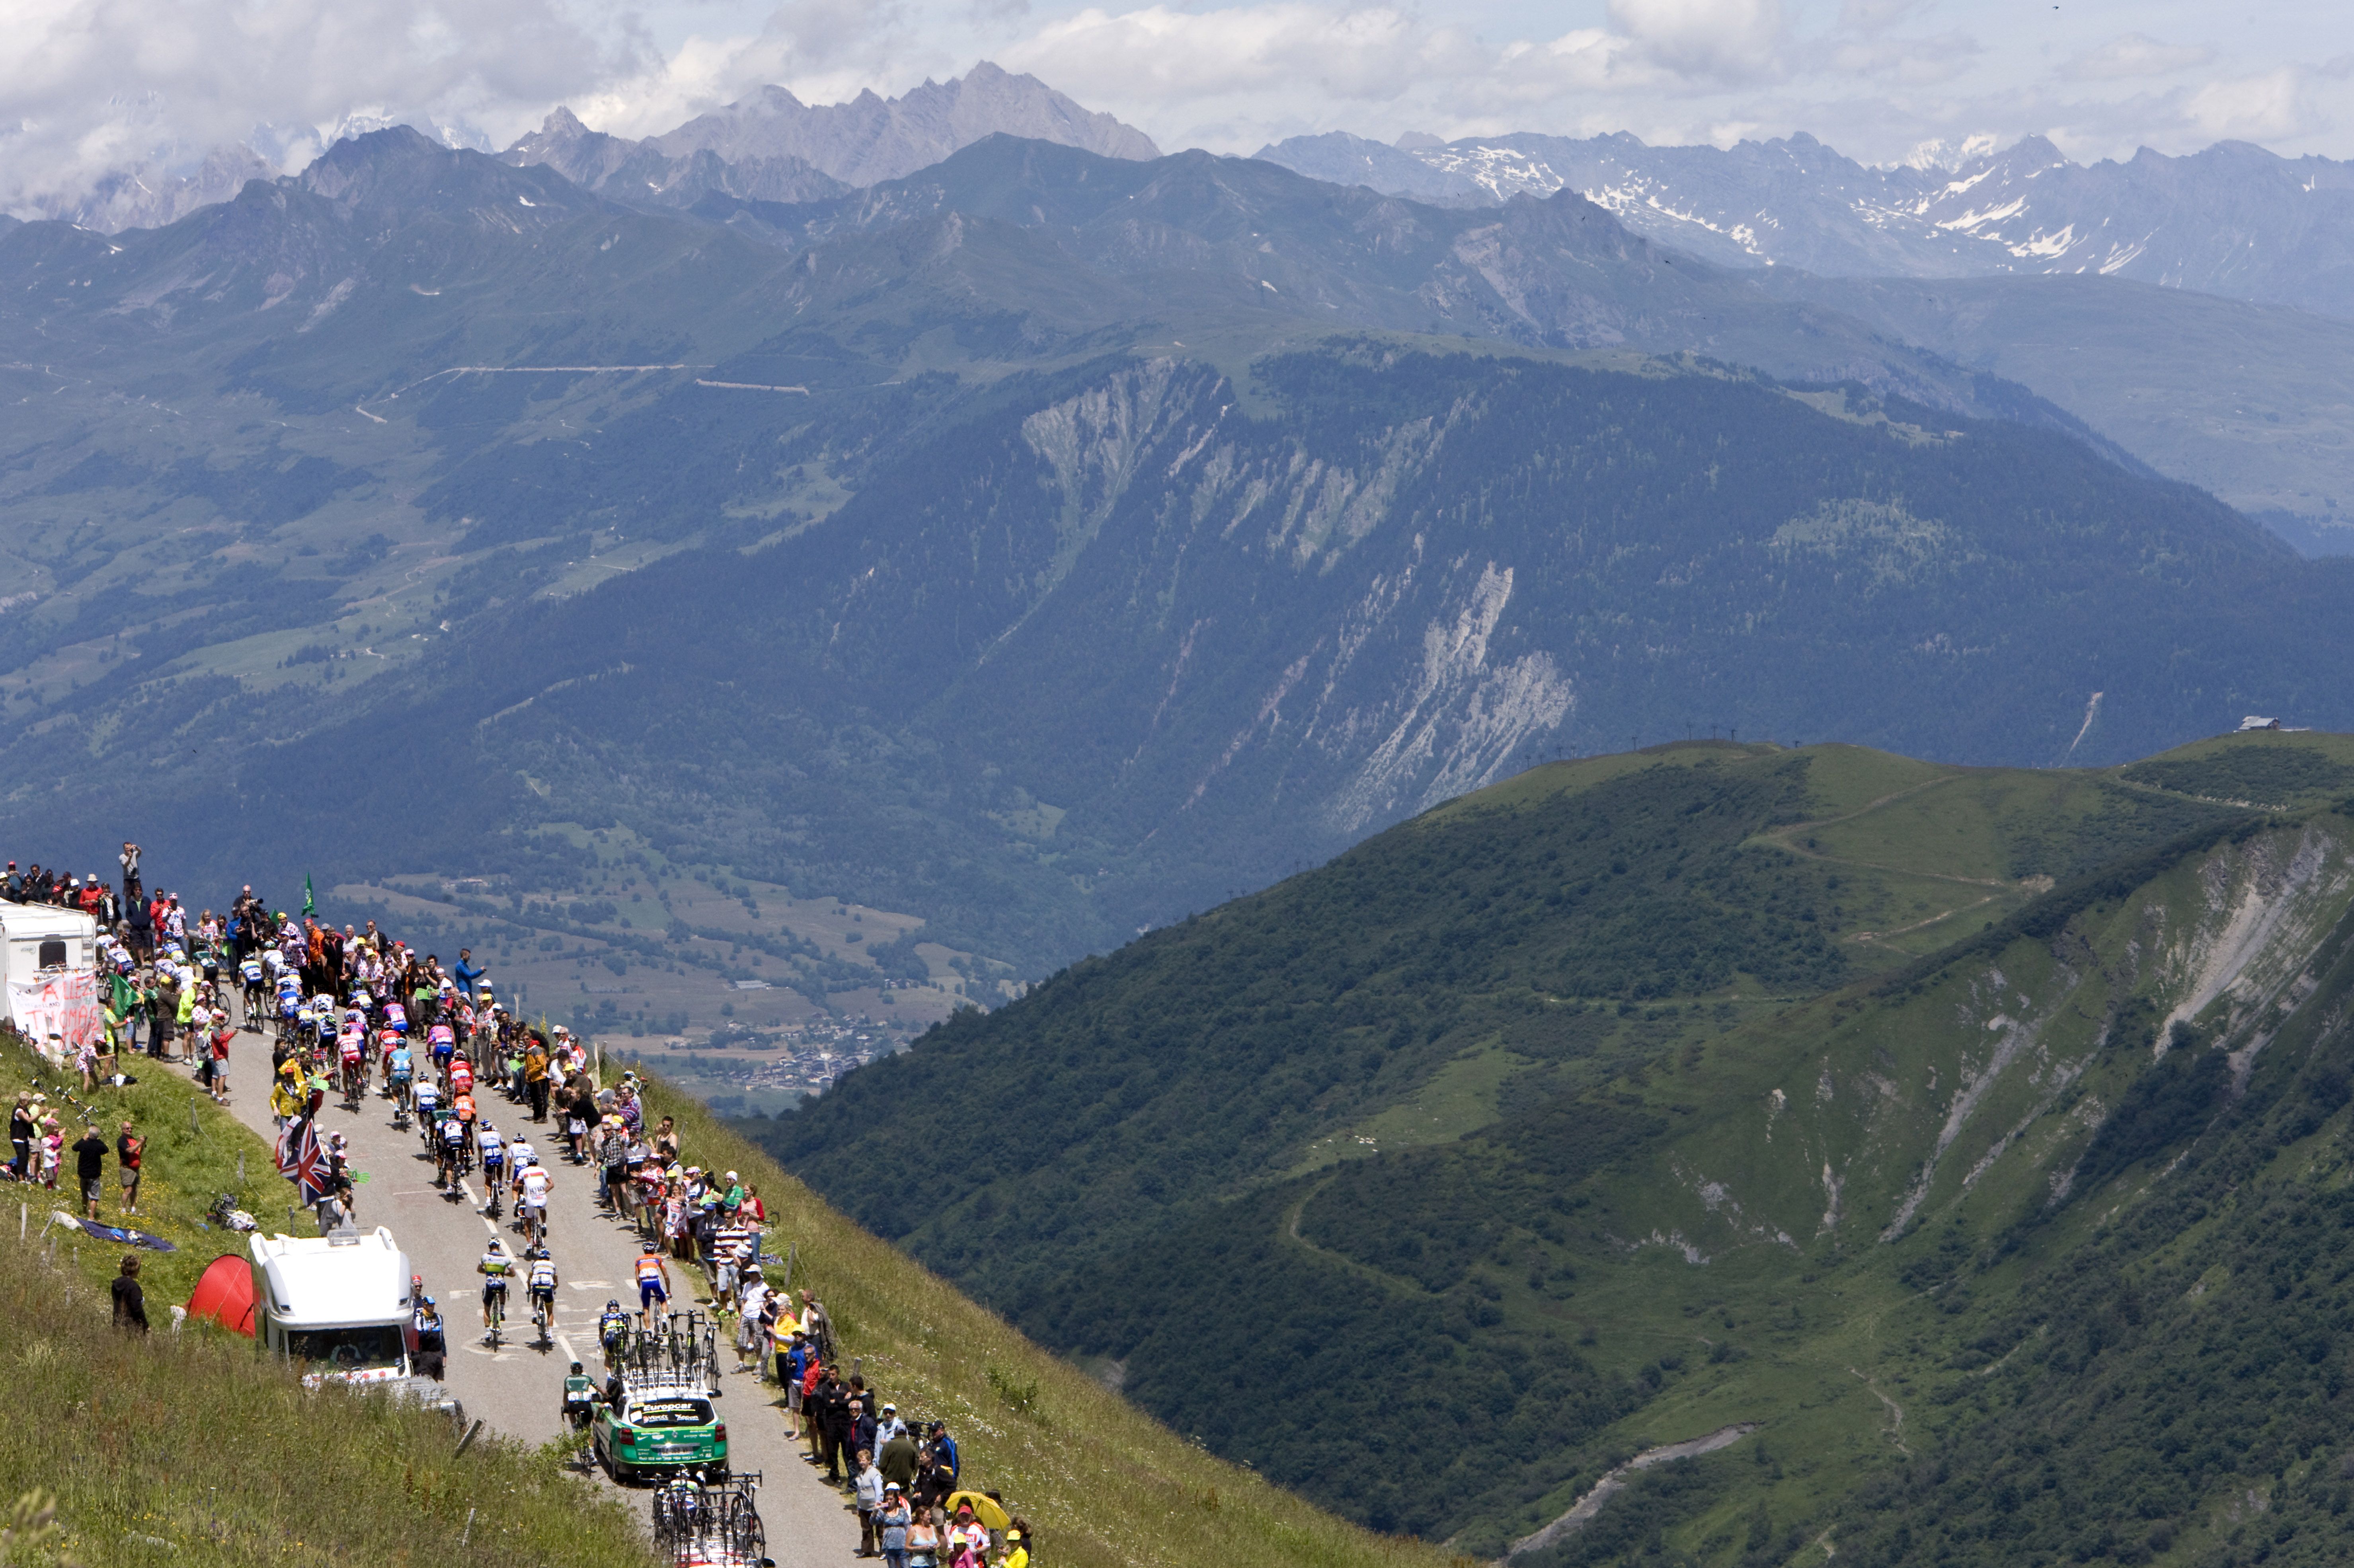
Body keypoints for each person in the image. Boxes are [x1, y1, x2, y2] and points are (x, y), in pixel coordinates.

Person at [72, 1124, 107, 1221]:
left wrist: (83, 1139)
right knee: (94, 1197)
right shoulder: (98, 1146)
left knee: (85, 1195)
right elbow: (106, 1150)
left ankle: (84, 1210)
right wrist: (99, 1140)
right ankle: (91, 1217)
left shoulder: (84, 1144)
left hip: (83, 1174)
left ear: (89, 1134)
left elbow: (74, 1148)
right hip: (94, 1175)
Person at [478, 1239, 514, 1332]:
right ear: (499, 1247)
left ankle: (488, 1333)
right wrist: (504, 1274)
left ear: (490, 1247)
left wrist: (487, 1272)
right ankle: (502, 1309)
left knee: (487, 1309)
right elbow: (513, 1273)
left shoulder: (485, 1257)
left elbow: (479, 1270)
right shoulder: (505, 1258)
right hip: (501, 1285)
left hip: (490, 1286)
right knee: (502, 1291)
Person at [634, 1242, 671, 1327]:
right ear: (654, 1250)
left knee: (646, 1308)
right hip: (655, 1281)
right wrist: (668, 1291)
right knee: (663, 1301)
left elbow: (638, 1278)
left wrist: (641, 1289)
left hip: (644, 1282)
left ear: (644, 1251)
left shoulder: (639, 1260)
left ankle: (648, 1331)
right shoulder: (658, 1258)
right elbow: (666, 1276)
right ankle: (664, 1318)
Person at [855, 1449, 885, 1556]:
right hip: (864, 1507)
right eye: (860, 1461)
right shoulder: (860, 1474)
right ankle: (867, 1551)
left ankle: (884, 1551)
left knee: (880, 1530)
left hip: (875, 1507)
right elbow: (859, 1492)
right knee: (866, 1529)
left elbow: (879, 1491)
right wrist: (858, 1507)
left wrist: (878, 1505)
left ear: (869, 1460)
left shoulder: (874, 1474)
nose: (861, 1463)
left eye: (863, 1460)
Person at [413, 1295, 447, 1381]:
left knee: (436, 1380)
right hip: (426, 1354)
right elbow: (419, 1337)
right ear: (425, 1305)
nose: (432, 1307)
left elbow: (442, 1337)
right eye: (430, 1305)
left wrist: (444, 1354)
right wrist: (427, 1332)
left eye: (433, 1305)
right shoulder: (420, 1319)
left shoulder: (439, 1317)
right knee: (427, 1380)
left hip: (438, 1353)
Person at [879, 1484, 913, 1568]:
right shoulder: (885, 1507)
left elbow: (908, 1525)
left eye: (891, 1499)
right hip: (890, 1544)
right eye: (887, 1499)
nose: (889, 1501)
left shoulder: (904, 1505)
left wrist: (909, 1541)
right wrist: (878, 1509)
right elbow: (875, 1518)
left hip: (902, 1542)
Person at [112, 1254, 148, 1332]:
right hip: (131, 1328)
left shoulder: (116, 1284)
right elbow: (137, 1309)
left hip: (117, 1323)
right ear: (135, 1269)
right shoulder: (133, 1287)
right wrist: (145, 1326)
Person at [116, 1121, 143, 1217]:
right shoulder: (122, 1140)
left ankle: (133, 1209)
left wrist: (142, 1144)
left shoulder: (133, 1139)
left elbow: (139, 1151)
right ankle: (123, 1209)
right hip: (127, 1169)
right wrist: (140, 1143)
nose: (130, 1130)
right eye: (127, 1128)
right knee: (128, 1190)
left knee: (134, 1190)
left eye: (131, 1128)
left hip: (135, 1169)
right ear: (123, 1130)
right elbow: (130, 1151)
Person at [561, 1360, 599, 1427]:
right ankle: (588, 1428)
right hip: (586, 1405)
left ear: (572, 1371)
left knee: (570, 1410)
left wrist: (565, 1407)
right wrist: (607, 1395)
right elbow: (600, 1390)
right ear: (582, 1370)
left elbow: (565, 1397)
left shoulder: (568, 1379)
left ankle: (574, 1427)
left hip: (574, 1405)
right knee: (590, 1415)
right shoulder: (587, 1378)